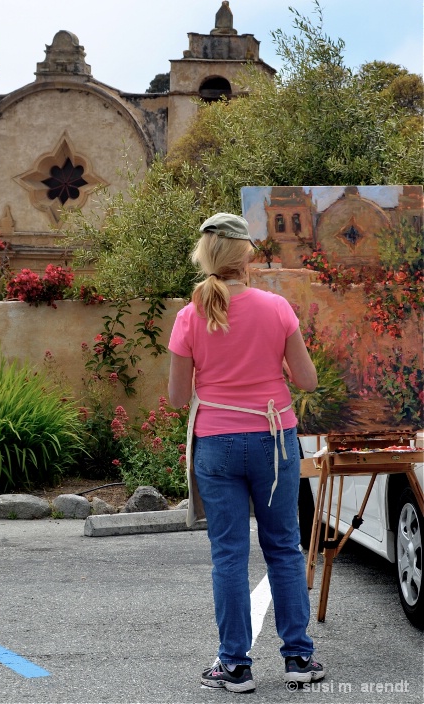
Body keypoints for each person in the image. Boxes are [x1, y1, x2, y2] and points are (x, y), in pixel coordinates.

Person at [168, 212, 325, 694]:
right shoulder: (277, 308)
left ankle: (234, 666)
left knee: (229, 556)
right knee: (283, 547)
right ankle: (299, 658)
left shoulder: (189, 314)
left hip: (215, 442)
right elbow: (308, 381)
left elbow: (176, 398)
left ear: (206, 256)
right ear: (246, 256)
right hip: (275, 439)